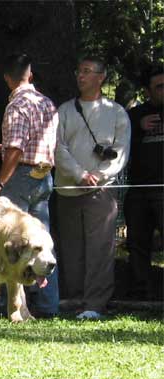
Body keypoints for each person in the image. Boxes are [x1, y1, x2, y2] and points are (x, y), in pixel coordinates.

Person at [0, 53, 59, 317]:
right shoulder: (47, 103)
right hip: (44, 176)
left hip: (20, 178)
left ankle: (11, 306)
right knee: (43, 243)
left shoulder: (16, 106)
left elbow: (15, 150)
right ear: (31, 75)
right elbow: (37, 144)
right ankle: (48, 305)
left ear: (6, 78)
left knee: (12, 242)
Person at [55, 57, 130, 319]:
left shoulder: (117, 112)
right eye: (79, 71)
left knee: (100, 249)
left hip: (101, 191)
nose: (81, 76)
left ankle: (94, 305)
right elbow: (57, 147)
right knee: (71, 249)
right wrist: (79, 174)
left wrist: (98, 175)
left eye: (87, 71)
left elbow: (121, 151)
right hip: (67, 189)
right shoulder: (64, 110)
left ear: (101, 77)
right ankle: (74, 301)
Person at [125, 65, 164, 301]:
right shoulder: (134, 116)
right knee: (137, 243)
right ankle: (141, 292)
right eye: (159, 87)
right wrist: (138, 129)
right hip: (139, 190)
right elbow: (119, 144)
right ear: (149, 91)